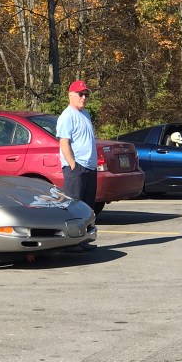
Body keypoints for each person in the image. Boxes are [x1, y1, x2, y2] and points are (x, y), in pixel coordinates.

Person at [56, 79, 98, 250]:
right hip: (77, 168)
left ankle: (84, 241)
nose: (84, 97)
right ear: (71, 95)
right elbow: (64, 142)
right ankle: (71, 244)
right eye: (80, 94)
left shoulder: (85, 114)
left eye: (86, 94)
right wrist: (73, 164)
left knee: (87, 208)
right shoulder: (67, 116)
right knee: (73, 207)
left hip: (90, 167)